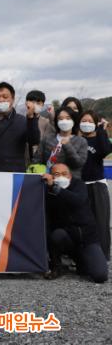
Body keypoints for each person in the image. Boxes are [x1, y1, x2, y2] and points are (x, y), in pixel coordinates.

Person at [43, 163, 108, 283]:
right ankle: (57, 265)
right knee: (57, 235)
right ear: (51, 176)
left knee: (100, 276)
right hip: (68, 238)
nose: (61, 177)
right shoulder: (48, 192)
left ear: (70, 176)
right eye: (57, 174)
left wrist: (56, 189)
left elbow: (77, 201)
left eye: (64, 174)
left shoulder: (79, 185)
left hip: (88, 239)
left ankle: (80, 261)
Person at [80, 110, 112, 260]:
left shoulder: (99, 138)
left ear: (95, 123)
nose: (86, 124)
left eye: (90, 121)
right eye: (83, 121)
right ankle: (83, 255)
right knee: (83, 222)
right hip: (81, 185)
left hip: (97, 185)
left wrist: (101, 130)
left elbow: (106, 150)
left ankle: (103, 255)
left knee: (101, 222)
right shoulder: (77, 140)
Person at [0, 82, 40, 172]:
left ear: (12, 99)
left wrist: (31, 118)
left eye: (5, 97)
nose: (1, 100)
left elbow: (34, 140)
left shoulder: (22, 121)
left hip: (14, 173)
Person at [33, 107, 88, 179]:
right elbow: (37, 160)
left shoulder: (81, 141)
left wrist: (67, 146)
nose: (64, 121)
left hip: (71, 182)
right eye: (60, 119)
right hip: (49, 180)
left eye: (68, 118)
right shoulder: (47, 139)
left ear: (74, 120)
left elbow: (78, 164)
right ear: (56, 121)